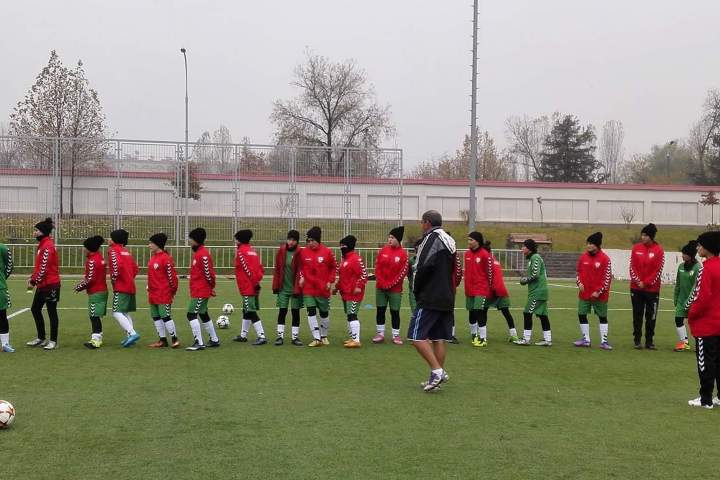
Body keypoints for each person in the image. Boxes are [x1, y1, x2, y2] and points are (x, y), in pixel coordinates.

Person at [409, 210, 458, 392]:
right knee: (438, 338)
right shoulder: (450, 240)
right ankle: (435, 376)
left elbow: (422, 267)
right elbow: (456, 270)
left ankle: (437, 371)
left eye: (422, 222)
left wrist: (417, 288)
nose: (421, 226)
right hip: (447, 295)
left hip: (430, 296)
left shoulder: (430, 239)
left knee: (416, 337)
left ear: (427, 223)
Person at [685, 231, 720, 409]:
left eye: (700, 245)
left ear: (708, 247)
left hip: (707, 325)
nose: (697, 248)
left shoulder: (706, 269)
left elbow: (701, 297)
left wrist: (691, 313)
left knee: (705, 363)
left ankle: (705, 399)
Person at [26, 217, 61, 350]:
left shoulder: (47, 246)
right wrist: (32, 277)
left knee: (52, 312)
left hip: (51, 285)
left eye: (37, 230)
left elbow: (44, 268)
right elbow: (39, 267)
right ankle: (41, 337)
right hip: (43, 284)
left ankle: (53, 341)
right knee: (35, 309)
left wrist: (33, 282)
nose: (34, 232)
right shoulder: (42, 245)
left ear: (43, 232)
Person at [573, 232, 613, 350]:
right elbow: (578, 273)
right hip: (584, 294)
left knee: (602, 316)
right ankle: (586, 339)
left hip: (599, 295)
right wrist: (579, 283)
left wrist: (598, 291)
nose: (588, 246)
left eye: (591, 243)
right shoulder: (583, 257)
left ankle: (604, 341)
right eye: (587, 243)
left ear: (597, 245)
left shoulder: (605, 259)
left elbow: (607, 278)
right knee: (581, 314)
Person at [298, 226, 336, 347]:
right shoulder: (304, 252)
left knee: (324, 313)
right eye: (308, 241)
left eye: (312, 240)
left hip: (323, 289)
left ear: (318, 240)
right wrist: (302, 277)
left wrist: (330, 281)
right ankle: (316, 338)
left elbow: (333, 268)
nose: (310, 243)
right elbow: (301, 268)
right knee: (311, 311)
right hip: (308, 288)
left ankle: (324, 335)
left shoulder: (327, 252)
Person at [629, 223, 665, 349]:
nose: (642, 237)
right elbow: (632, 267)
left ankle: (649, 341)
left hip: (652, 290)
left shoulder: (659, 250)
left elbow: (658, 270)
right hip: (636, 288)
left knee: (651, 316)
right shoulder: (636, 248)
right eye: (642, 235)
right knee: (637, 315)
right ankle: (637, 340)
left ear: (651, 236)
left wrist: (646, 283)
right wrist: (638, 281)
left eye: (645, 235)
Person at [373, 226, 409, 345]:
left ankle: (396, 335)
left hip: (395, 289)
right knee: (380, 310)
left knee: (394, 312)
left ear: (398, 239)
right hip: (380, 288)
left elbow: (402, 273)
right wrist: (381, 282)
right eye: (389, 237)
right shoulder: (383, 250)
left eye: (392, 237)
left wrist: (390, 284)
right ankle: (380, 333)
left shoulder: (403, 254)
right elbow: (377, 267)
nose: (390, 239)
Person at [186, 228, 220, 351]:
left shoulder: (203, 254)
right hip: (198, 289)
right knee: (203, 313)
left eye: (191, 239)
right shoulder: (199, 253)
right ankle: (214, 339)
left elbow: (209, 273)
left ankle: (199, 342)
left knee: (191, 314)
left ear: (197, 240)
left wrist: (211, 287)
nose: (189, 241)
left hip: (201, 291)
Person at [514, 239, 552, 346]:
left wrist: (525, 280)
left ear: (529, 248)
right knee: (542, 315)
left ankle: (526, 339)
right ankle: (548, 340)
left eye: (524, 247)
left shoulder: (535, 257)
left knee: (527, 312)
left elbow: (535, 274)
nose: (522, 249)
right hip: (540, 291)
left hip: (538, 291)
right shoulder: (533, 258)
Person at [232, 229, 267, 345]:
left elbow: (247, 270)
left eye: (236, 239)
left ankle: (261, 336)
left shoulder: (241, 252)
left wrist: (254, 283)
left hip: (248, 286)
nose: (235, 241)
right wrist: (257, 281)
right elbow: (260, 269)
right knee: (246, 310)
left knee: (250, 311)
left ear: (240, 240)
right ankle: (243, 335)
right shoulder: (253, 251)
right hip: (253, 285)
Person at [107, 229, 141, 348]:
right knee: (124, 312)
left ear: (115, 239)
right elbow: (136, 269)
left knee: (116, 312)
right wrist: (129, 278)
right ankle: (129, 336)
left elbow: (117, 266)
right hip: (130, 285)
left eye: (110, 237)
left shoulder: (112, 250)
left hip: (121, 286)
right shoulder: (126, 251)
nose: (108, 239)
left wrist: (115, 278)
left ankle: (132, 333)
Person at [146, 233, 180, 349]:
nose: (149, 245)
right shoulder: (153, 257)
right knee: (156, 316)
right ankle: (162, 340)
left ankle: (175, 339)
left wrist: (172, 292)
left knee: (165, 316)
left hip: (163, 293)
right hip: (153, 293)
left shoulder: (166, 258)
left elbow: (172, 278)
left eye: (151, 243)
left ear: (157, 244)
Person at [74, 235, 108, 349]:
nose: (83, 249)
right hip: (101, 290)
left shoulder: (93, 260)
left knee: (94, 316)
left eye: (84, 246)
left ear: (89, 248)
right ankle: (97, 336)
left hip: (96, 291)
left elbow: (91, 279)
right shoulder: (99, 257)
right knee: (96, 315)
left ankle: (96, 340)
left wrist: (79, 286)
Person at [335, 235, 368, 348]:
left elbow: (364, 275)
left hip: (354, 294)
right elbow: (342, 276)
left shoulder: (356, 259)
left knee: (352, 315)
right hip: (345, 293)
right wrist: (336, 287)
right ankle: (352, 338)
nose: (341, 248)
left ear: (349, 246)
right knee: (349, 315)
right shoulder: (344, 259)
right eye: (340, 246)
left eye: (343, 245)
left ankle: (356, 340)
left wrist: (359, 286)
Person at [272, 230, 303, 346]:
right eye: (289, 239)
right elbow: (277, 270)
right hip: (283, 288)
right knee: (282, 311)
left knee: (295, 312)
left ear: (297, 241)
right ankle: (280, 336)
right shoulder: (281, 251)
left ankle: (295, 337)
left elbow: (301, 271)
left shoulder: (300, 252)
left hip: (295, 288)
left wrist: (298, 288)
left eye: (294, 240)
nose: (291, 242)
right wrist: (275, 286)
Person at [484, 241, 518, 343]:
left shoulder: (487, 261)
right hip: (501, 289)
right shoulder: (495, 260)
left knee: (482, 311)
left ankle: (482, 335)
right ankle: (514, 335)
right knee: (506, 313)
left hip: (492, 290)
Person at [464, 231, 492, 347]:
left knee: (479, 312)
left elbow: (490, 273)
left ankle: (483, 338)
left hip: (481, 288)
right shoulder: (467, 254)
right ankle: (474, 335)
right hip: (469, 289)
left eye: (471, 240)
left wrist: (488, 287)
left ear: (478, 241)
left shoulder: (485, 254)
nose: (469, 242)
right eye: (468, 239)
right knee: (471, 313)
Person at [673, 240, 699, 352]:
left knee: (695, 323)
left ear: (690, 255)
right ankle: (684, 343)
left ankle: (699, 344)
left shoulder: (698, 267)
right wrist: (676, 297)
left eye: (684, 254)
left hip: (693, 301)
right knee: (678, 319)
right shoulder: (680, 267)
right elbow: (678, 283)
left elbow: (697, 286)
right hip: (681, 300)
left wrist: (689, 301)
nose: (682, 255)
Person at [0, 241, 14, 352]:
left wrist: (3, 278)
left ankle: (5, 344)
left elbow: (9, 265)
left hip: (0, 288)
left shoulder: (2, 248)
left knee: (1, 316)